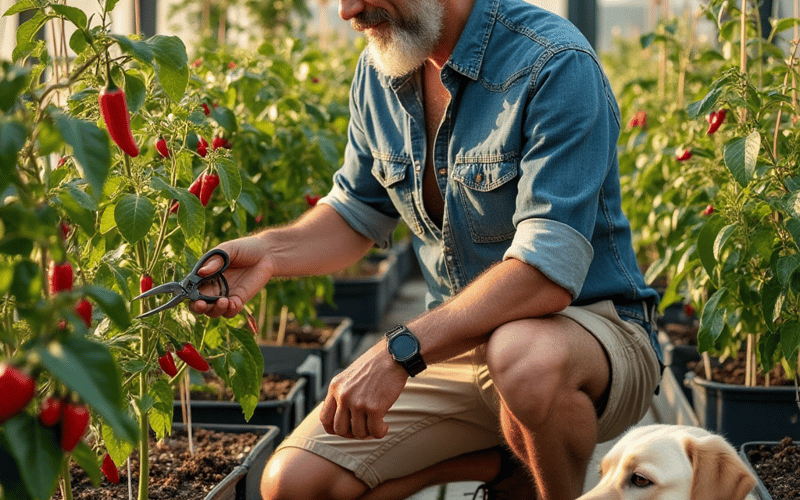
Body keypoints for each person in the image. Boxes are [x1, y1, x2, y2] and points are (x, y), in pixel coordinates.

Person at [190, 0, 664, 498]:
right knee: (295, 485)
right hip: (457, 344)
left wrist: (397, 354)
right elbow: (357, 210)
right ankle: (505, 466)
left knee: (523, 356)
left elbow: (545, 271)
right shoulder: (383, 68)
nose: (347, 10)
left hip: (591, 337)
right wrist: (267, 252)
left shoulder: (553, 61)